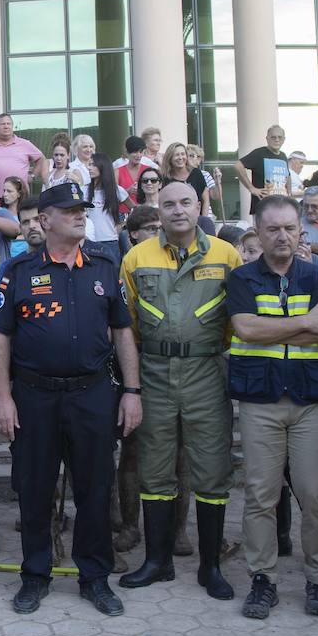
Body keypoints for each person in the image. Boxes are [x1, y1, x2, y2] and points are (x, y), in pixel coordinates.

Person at [0, 181, 141, 616]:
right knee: (34, 488)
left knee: (95, 487)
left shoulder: (104, 264)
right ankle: (35, 574)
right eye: (70, 209)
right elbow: (1, 337)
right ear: (45, 219)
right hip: (35, 396)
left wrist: (131, 391)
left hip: (92, 393)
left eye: (83, 209)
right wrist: (3, 396)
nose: (80, 215)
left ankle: (95, 577)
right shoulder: (17, 271)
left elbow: (123, 333)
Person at [119, 181, 243, 601]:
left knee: (211, 468)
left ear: (198, 207)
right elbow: (127, 321)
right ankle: (157, 562)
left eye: (185, 202)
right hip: (153, 370)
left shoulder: (227, 255)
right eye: (168, 203)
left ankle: (210, 566)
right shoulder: (137, 256)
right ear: (159, 208)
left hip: (207, 370)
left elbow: (236, 316)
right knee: (154, 468)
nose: (176, 211)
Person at [226, 195, 318, 620]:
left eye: (290, 228)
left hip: (310, 401)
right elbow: (246, 328)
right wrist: (303, 323)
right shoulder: (242, 279)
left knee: (315, 493)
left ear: (300, 232)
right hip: (261, 400)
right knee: (260, 494)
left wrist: (286, 329)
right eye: (272, 229)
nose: (282, 237)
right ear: (257, 231)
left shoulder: (317, 275)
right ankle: (263, 579)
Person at [0, 114, 45, 198]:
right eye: (3, 124)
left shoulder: (25, 144)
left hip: (20, 198)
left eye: (9, 124)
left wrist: (33, 176)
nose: (6, 126)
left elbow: (41, 158)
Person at [235, 125, 289, 216]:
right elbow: (238, 166)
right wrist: (251, 188)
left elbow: (288, 176)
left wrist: (289, 194)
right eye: (273, 137)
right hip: (263, 209)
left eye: (279, 137)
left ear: (284, 139)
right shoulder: (259, 153)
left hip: (281, 207)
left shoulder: (283, 156)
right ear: (267, 139)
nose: (276, 140)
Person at [83, 154, 122, 261]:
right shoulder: (84, 190)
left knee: (112, 275)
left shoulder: (116, 190)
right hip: (90, 240)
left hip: (110, 240)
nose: (89, 168)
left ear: (102, 166)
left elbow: (133, 207)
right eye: (89, 164)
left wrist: (122, 224)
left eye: (93, 165)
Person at [161, 142, 210, 216]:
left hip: (196, 220)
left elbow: (205, 200)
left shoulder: (196, 173)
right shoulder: (165, 178)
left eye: (183, 154)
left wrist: (203, 220)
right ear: (170, 158)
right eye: (177, 155)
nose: (180, 158)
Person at [188, 145, 223, 221]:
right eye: (191, 156)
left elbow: (216, 196)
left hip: (206, 218)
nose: (195, 159)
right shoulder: (181, 175)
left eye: (198, 157)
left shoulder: (205, 174)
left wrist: (217, 182)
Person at [114, 136, 148, 202]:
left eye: (141, 152)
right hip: (123, 211)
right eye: (135, 152)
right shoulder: (117, 172)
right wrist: (127, 191)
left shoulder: (148, 170)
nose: (138, 155)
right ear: (127, 153)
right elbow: (113, 197)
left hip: (144, 210)